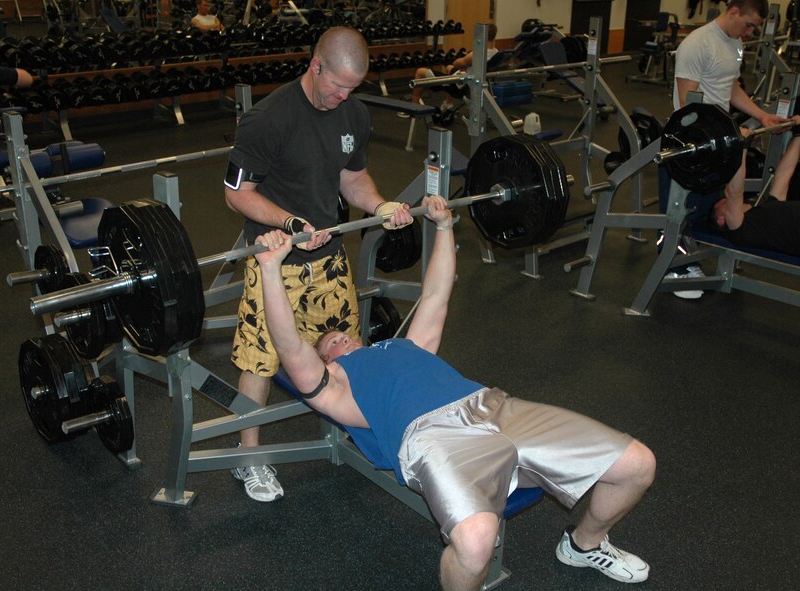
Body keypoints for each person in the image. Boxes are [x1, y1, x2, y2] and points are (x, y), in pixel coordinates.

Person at [253, 195, 656, 590]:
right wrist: (271, 271)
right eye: (330, 345)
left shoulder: (407, 346)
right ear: (325, 363)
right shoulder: (336, 386)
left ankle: (583, 545)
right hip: (432, 438)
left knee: (637, 464)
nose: (340, 338)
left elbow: (435, 294)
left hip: (494, 406)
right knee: (476, 541)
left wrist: (444, 227)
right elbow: (290, 346)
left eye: (344, 334)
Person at [223, 26, 413, 502]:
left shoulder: (354, 112)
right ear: (316, 65)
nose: (342, 97)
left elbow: (354, 177)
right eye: (337, 86)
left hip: (329, 260)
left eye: (352, 89)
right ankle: (249, 458)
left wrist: (379, 206)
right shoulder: (268, 119)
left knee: (347, 349)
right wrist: (289, 223)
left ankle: (356, 431)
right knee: (261, 360)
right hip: (275, 263)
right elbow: (235, 195)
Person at [663, 0, 789, 298]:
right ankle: (672, 266)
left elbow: (729, 85)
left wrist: (761, 115)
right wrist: (728, 131)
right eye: (749, 25)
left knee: (708, 202)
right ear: (734, 12)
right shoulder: (698, 43)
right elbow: (687, 102)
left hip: (718, 133)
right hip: (692, 134)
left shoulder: (734, 43)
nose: (750, 32)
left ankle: (690, 255)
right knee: (680, 204)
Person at [708, 117, 800, 259]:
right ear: (722, 220)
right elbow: (734, 192)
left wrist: (798, 135)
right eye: (724, 203)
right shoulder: (738, 230)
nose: (725, 200)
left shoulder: (767, 211)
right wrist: (741, 149)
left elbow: (784, 175)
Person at [398, 23, 499, 118]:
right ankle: (448, 105)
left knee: (420, 72)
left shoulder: (476, 54)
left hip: (460, 85)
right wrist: (467, 64)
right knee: (449, 68)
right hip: (473, 82)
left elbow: (458, 63)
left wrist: (465, 61)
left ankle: (412, 109)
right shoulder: (495, 53)